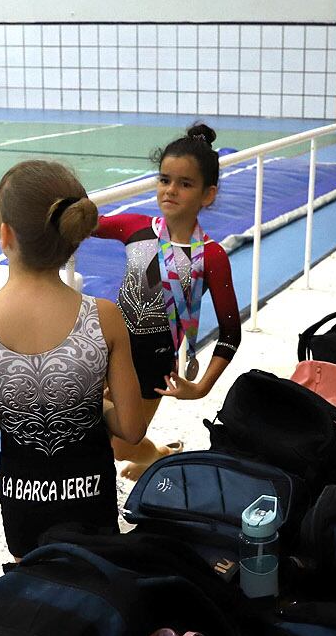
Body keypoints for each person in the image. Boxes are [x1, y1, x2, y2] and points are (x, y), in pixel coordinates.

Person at [0, 160, 145, 559]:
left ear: (4, 234)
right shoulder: (102, 316)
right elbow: (133, 427)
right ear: (73, 236)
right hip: (92, 501)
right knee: (97, 583)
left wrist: (17, 409)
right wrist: (89, 406)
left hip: (23, 509)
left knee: (36, 588)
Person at [93, 124, 242, 479]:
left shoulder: (211, 256)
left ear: (207, 195)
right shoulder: (134, 228)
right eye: (164, 180)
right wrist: (16, 213)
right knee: (89, 424)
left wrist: (201, 387)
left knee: (122, 446)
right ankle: (151, 456)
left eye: (185, 184)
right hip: (110, 346)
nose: (170, 190)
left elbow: (231, 332)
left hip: (152, 360)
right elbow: (76, 223)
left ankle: (157, 456)